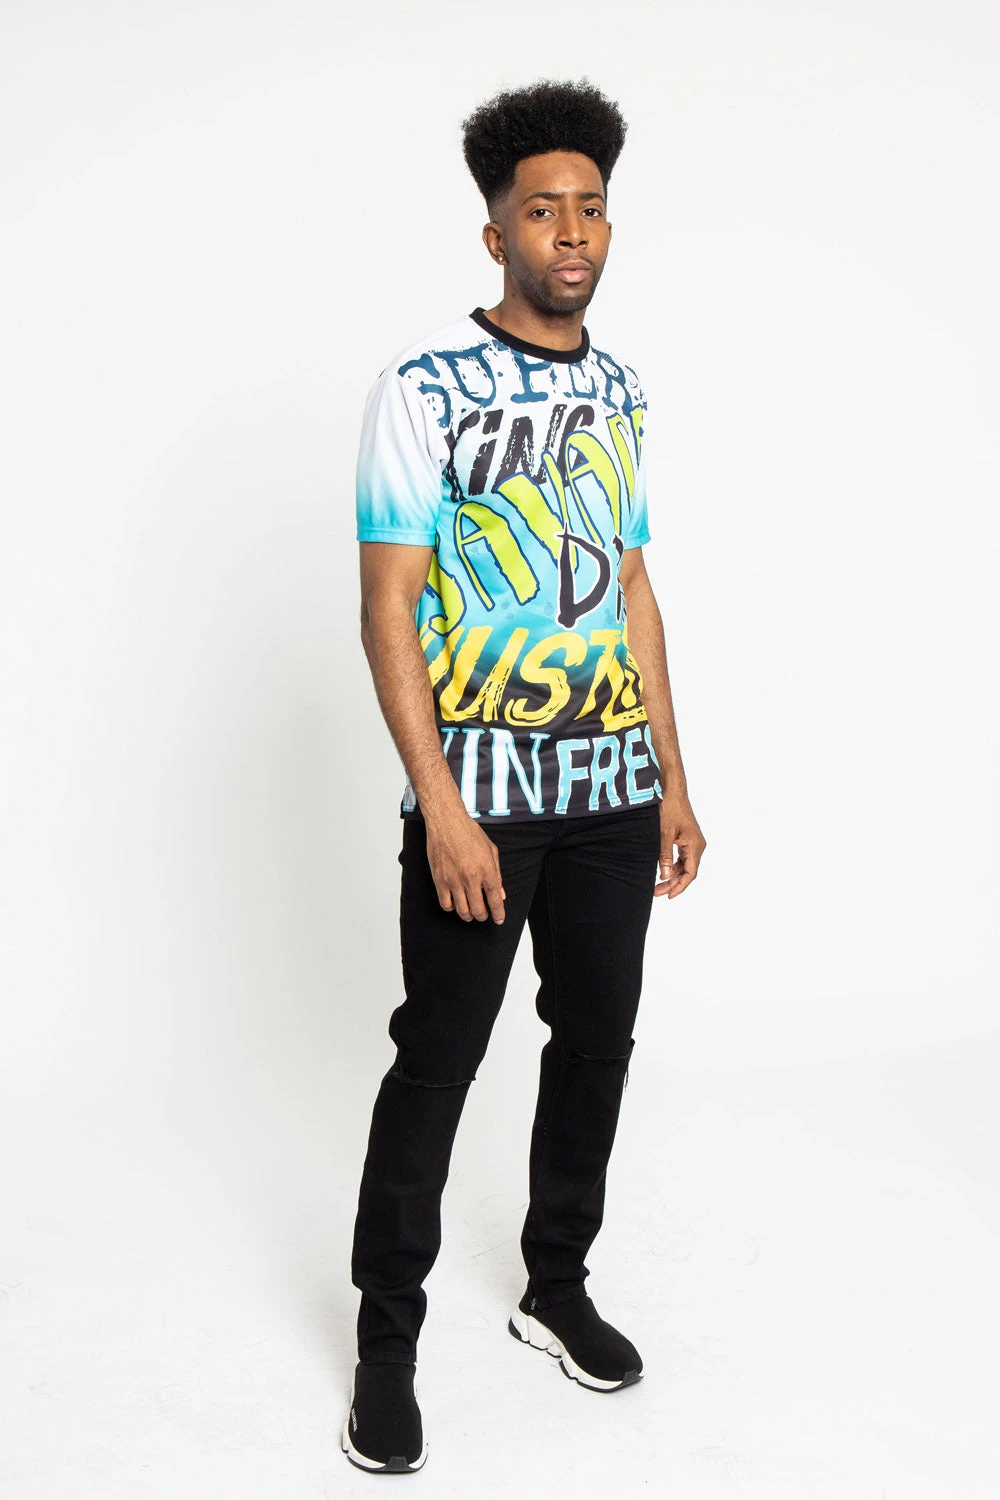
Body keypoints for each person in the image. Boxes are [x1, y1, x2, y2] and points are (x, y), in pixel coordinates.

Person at [342, 77, 706, 1474]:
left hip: (612, 796)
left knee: (597, 1044)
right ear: (496, 234)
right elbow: (387, 607)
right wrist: (441, 805)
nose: (572, 232)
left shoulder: (618, 389)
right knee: (438, 1063)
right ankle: (386, 1345)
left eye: (591, 208)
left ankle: (555, 1288)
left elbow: (631, 586)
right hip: (484, 799)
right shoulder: (425, 387)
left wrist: (672, 776)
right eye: (543, 210)